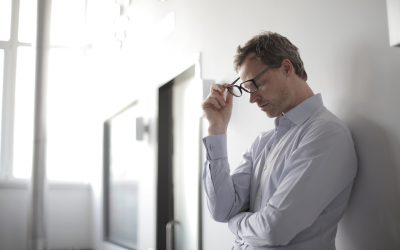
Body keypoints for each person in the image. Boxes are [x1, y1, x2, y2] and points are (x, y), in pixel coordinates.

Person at [201, 31, 358, 250]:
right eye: (246, 90)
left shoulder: (327, 134)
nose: (252, 98)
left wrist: (236, 222)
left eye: (257, 84)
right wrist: (216, 128)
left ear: (286, 68)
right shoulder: (263, 143)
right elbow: (222, 209)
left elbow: (273, 229)